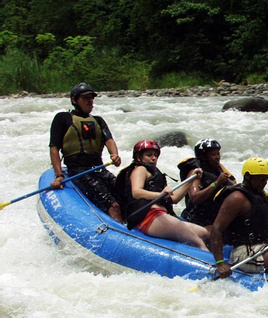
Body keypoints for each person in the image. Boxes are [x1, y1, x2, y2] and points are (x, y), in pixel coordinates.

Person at [115, 140, 210, 250]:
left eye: (155, 155)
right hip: (148, 216)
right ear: (138, 157)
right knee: (197, 242)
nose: (154, 158)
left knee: (204, 234)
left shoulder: (157, 176)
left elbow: (174, 199)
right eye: (149, 155)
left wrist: (190, 180)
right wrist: (160, 194)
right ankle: (213, 265)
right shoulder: (140, 169)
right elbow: (136, 192)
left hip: (161, 215)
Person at [48, 82, 123, 222]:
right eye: (85, 98)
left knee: (126, 192)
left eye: (92, 98)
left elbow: (109, 141)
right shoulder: (63, 118)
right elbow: (54, 148)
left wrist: (114, 154)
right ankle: (123, 235)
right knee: (113, 205)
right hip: (78, 171)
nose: (90, 101)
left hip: (99, 169)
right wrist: (59, 175)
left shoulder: (98, 121)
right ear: (74, 100)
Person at [177, 138, 236, 228]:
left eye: (218, 154)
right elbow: (195, 198)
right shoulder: (195, 171)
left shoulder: (217, 170)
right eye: (213, 154)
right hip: (196, 220)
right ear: (203, 157)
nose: (217, 157)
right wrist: (216, 183)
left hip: (214, 218)